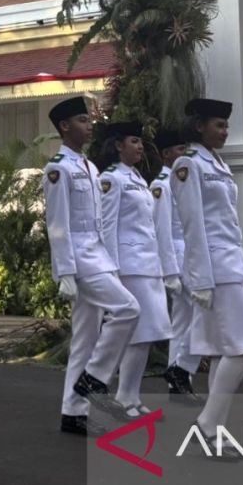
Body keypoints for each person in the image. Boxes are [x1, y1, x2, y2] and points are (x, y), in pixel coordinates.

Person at [171, 98, 243, 460]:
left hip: (230, 265)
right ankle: (208, 424)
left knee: (225, 349)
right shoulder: (188, 164)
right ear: (199, 127)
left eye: (226, 126)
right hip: (214, 267)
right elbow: (192, 224)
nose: (224, 131)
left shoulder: (218, 164)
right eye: (218, 125)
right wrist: (200, 279)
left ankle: (216, 432)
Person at [43, 98, 140, 436]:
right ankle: (95, 378)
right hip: (81, 259)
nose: (89, 125)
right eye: (82, 120)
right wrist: (65, 271)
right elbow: (57, 223)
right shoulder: (58, 168)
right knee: (128, 309)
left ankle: (73, 412)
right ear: (65, 127)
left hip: (97, 255)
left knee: (85, 338)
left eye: (89, 120)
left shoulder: (90, 167)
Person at [97, 120, 172, 421]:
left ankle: (130, 394)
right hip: (128, 266)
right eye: (133, 141)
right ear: (118, 145)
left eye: (140, 142)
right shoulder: (112, 179)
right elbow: (107, 226)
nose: (140, 146)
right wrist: (110, 269)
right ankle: (122, 396)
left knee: (149, 333)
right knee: (138, 333)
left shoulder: (138, 178)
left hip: (148, 265)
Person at [150, 128, 203, 404]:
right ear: (166, 154)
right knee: (203, 314)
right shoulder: (162, 184)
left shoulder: (182, 182)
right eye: (179, 150)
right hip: (179, 259)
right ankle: (178, 371)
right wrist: (169, 271)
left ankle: (178, 384)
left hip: (188, 256)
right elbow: (162, 231)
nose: (184, 154)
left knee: (182, 323)